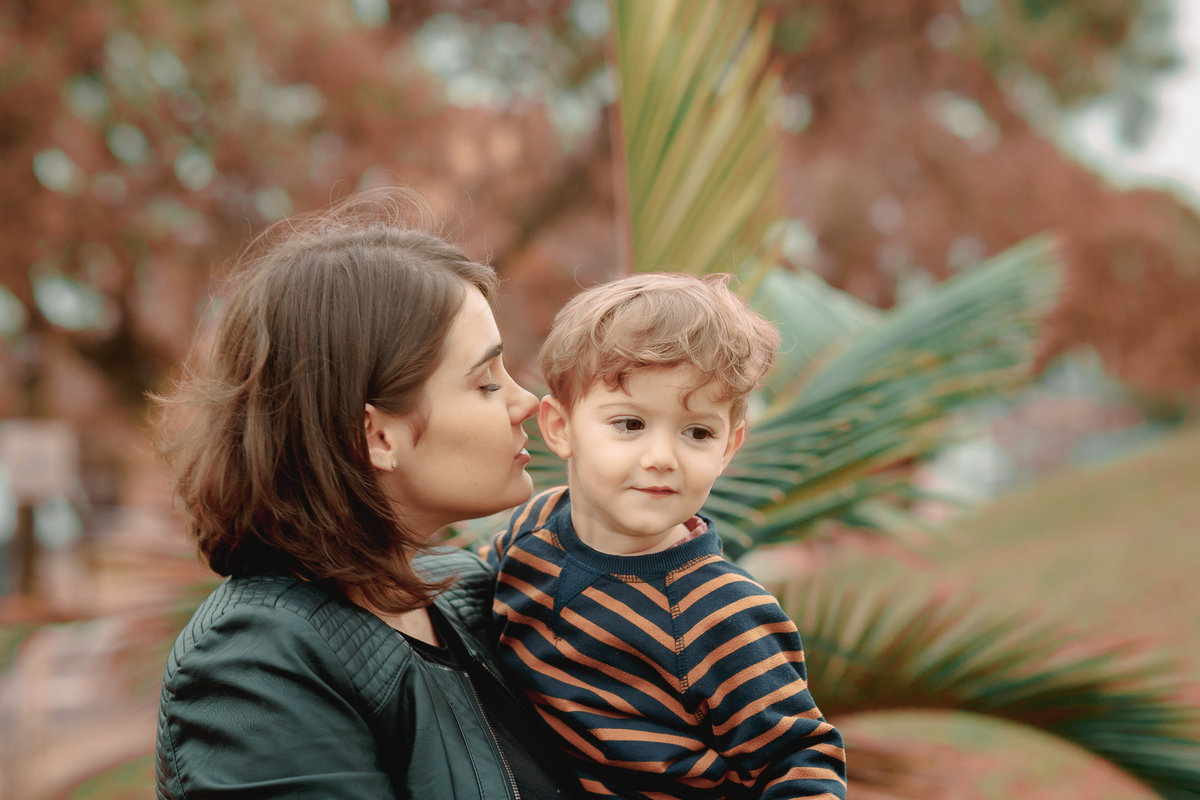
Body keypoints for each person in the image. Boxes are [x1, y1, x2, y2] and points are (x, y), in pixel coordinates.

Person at [153, 191, 583, 799]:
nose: (527, 404)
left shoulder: (470, 590)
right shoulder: (255, 665)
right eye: (487, 382)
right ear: (378, 435)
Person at [482, 273, 848, 799]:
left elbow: (798, 760)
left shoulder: (722, 613)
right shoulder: (530, 533)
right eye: (629, 423)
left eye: (697, 432)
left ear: (728, 447)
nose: (661, 457)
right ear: (560, 428)